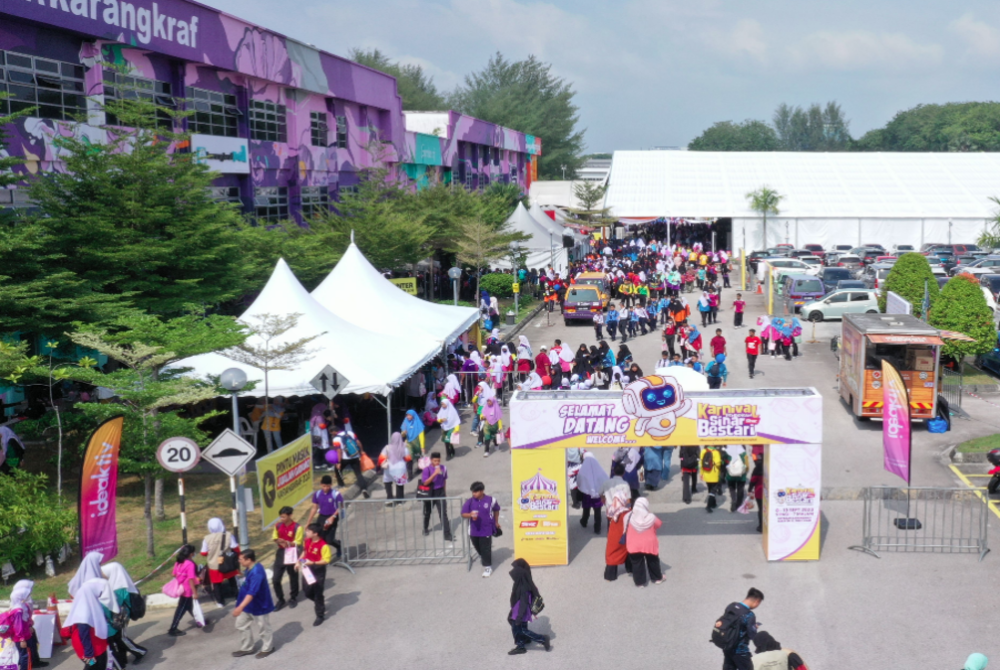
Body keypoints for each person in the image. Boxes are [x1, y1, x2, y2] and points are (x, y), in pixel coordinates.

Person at [229, 549, 276, 658]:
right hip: (248, 605)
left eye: (241, 559)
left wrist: (240, 607)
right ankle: (247, 647)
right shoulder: (249, 568)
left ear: (248, 560)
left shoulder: (257, 572)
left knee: (263, 627)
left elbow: (252, 593)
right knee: (241, 624)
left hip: (259, 605)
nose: (239, 561)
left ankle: (268, 648)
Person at [101, 562, 147, 666]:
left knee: (121, 638)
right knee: (119, 638)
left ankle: (140, 652)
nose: (102, 575)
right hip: (120, 615)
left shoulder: (119, 587)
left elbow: (115, 605)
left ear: (111, 572)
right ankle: (122, 659)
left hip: (121, 616)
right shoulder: (118, 583)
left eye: (104, 573)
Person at [61, 579, 111, 670]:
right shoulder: (84, 611)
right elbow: (84, 634)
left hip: (97, 645)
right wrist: (89, 654)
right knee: (93, 666)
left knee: (98, 666)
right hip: (89, 648)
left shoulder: (90, 604)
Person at [507, 559, 550, 655]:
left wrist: (519, 617)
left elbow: (523, 602)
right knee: (515, 624)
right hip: (517, 610)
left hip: (521, 612)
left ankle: (542, 639)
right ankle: (523, 641)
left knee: (521, 629)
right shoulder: (522, 582)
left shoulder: (523, 587)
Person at [717, 588, 763, 670]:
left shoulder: (731, 606)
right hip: (740, 651)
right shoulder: (749, 614)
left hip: (727, 646)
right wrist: (754, 627)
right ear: (757, 601)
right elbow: (752, 634)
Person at [461, 482, 501, 577]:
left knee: (485, 547)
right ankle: (485, 556)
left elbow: (496, 510)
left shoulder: (491, 500)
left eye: (476, 492)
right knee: (477, 546)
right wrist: (470, 515)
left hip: (486, 529)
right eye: (472, 492)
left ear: (482, 491)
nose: (473, 494)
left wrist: (496, 522)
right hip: (474, 530)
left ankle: (488, 567)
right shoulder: (470, 501)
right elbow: (463, 514)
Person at [601, 465, 633, 581]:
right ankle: (629, 566)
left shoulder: (606, 483)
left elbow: (601, 494)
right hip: (623, 515)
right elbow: (628, 501)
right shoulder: (625, 484)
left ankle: (611, 571)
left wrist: (606, 503)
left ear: (613, 472)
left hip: (610, 514)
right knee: (626, 540)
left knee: (612, 541)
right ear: (623, 473)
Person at [6, 580, 46, 670]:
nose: (28, 595)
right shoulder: (18, 610)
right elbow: (18, 626)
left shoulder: (21, 606)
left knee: (26, 653)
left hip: (25, 633)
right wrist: (22, 639)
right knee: (24, 655)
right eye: (26, 594)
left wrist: (29, 626)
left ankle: (32, 663)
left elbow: (25, 620)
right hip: (21, 636)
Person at [623, 498, 664, 586]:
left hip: (634, 544)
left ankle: (640, 582)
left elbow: (624, 527)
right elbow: (659, 524)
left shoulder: (628, 516)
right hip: (649, 544)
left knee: (637, 563)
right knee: (653, 561)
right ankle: (657, 578)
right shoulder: (651, 517)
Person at [298, 524, 332, 627]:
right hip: (307, 569)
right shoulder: (306, 540)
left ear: (315, 534)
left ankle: (320, 615)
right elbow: (305, 552)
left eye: (308, 531)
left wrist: (313, 563)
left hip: (318, 570)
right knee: (307, 591)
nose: (306, 533)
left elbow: (326, 560)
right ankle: (320, 602)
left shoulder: (323, 546)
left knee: (317, 592)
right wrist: (298, 561)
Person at [201, 518, 240, 607]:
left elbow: (203, 553)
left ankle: (220, 602)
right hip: (228, 562)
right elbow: (235, 547)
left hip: (214, 565)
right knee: (232, 580)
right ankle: (237, 597)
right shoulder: (229, 535)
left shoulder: (206, 539)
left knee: (216, 584)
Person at [270, 506, 303, 611]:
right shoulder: (278, 525)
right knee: (275, 579)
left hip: (292, 552)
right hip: (281, 553)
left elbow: (298, 542)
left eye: (284, 517)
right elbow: (274, 537)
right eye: (281, 517)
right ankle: (280, 599)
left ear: (290, 516)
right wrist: (278, 541)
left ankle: (293, 597)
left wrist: (288, 543)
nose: (282, 519)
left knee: (293, 576)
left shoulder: (297, 527)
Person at [305, 475, 344, 559]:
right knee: (320, 537)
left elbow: (341, 507)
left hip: (332, 517)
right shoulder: (317, 494)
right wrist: (308, 522)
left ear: (331, 485)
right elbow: (314, 508)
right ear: (321, 484)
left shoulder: (336, 494)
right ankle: (321, 556)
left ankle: (338, 545)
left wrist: (333, 517)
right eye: (324, 486)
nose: (326, 488)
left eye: (328, 486)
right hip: (322, 517)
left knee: (329, 540)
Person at [168, 544, 201, 636]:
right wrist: (195, 593)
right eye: (193, 552)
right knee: (181, 609)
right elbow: (191, 579)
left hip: (181, 588)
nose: (194, 554)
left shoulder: (178, 562)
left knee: (190, 607)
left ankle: (200, 621)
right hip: (188, 590)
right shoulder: (190, 564)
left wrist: (181, 576)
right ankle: (173, 628)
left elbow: (173, 574)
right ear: (190, 554)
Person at [420, 453, 453, 541]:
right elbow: (425, 483)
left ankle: (447, 534)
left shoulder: (443, 468)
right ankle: (425, 527)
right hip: (430, 493)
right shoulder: (427, 470)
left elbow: (444, 480)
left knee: (443, 513)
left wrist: (444, 492)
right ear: (431, 460)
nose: (437, 462)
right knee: (427, 512)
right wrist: (434, 474)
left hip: (440, 492)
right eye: (435, 461)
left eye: (438, 460)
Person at [333, 425, 371, 497]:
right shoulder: (350, 433)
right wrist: (361, 451)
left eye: (331, 433)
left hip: (345, 458)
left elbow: (339, 451)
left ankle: (341, 484)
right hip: (355, 456)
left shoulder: (336, 439)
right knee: (358, 474)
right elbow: (358, 442)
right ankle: (364, 489)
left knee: (337, 470)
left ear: (334, 432)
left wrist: (339, 462)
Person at [576, 451, 608, 534]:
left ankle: (584, 522)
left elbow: (579, 481)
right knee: (597, 512)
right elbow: (605, 479)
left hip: (587, 494)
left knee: (586, 509)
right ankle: (597, 528)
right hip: (598, 494)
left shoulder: (583, 470)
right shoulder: (599, 469)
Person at [380, 431, 409, 504]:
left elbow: (381, 458)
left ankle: (390, 498)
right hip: (400, 468)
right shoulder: (404, 448)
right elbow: (408, 458)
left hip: (389, 468)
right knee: (400, 484)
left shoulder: (387, 447)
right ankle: (400, 500)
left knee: (388, 482)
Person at [723, 445, 749, 512]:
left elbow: (725, 463)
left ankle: (733, 501)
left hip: (730, 475)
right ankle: (738, 504)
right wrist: (745, 472)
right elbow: (747, 465)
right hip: (741, 476)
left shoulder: (728, 453)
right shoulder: (743, 453)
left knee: (732, 489)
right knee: (740, 489)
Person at [401, 409, 425, 479]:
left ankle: (420, 468)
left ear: (413, 415)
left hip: (417, 443)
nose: (408, 416)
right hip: (409, 443)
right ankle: (410, 475)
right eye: (407, 415)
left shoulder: (418, 423)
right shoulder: (405, 422)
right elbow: (402, 434)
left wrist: (422, 447)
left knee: (418, 457)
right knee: (409, 459)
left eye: (409, 415)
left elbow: (421, 436)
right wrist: (403, 433)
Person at [701, 445, 724, 513]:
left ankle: (713, 503)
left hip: (706, 472)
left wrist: (701, 473)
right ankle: (708, 506)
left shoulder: (703, 451)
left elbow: (701, 463)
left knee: (710, 489)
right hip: (714, 473)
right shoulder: (716, 452)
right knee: (713, 490)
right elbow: (718, 463)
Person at [748, 448, 765, 532]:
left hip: (759, 492)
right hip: (769, 492)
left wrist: (749, 490)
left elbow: (752, 481)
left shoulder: (757, 469)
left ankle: (761, 526)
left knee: (761, 509)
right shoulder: (771, 467)